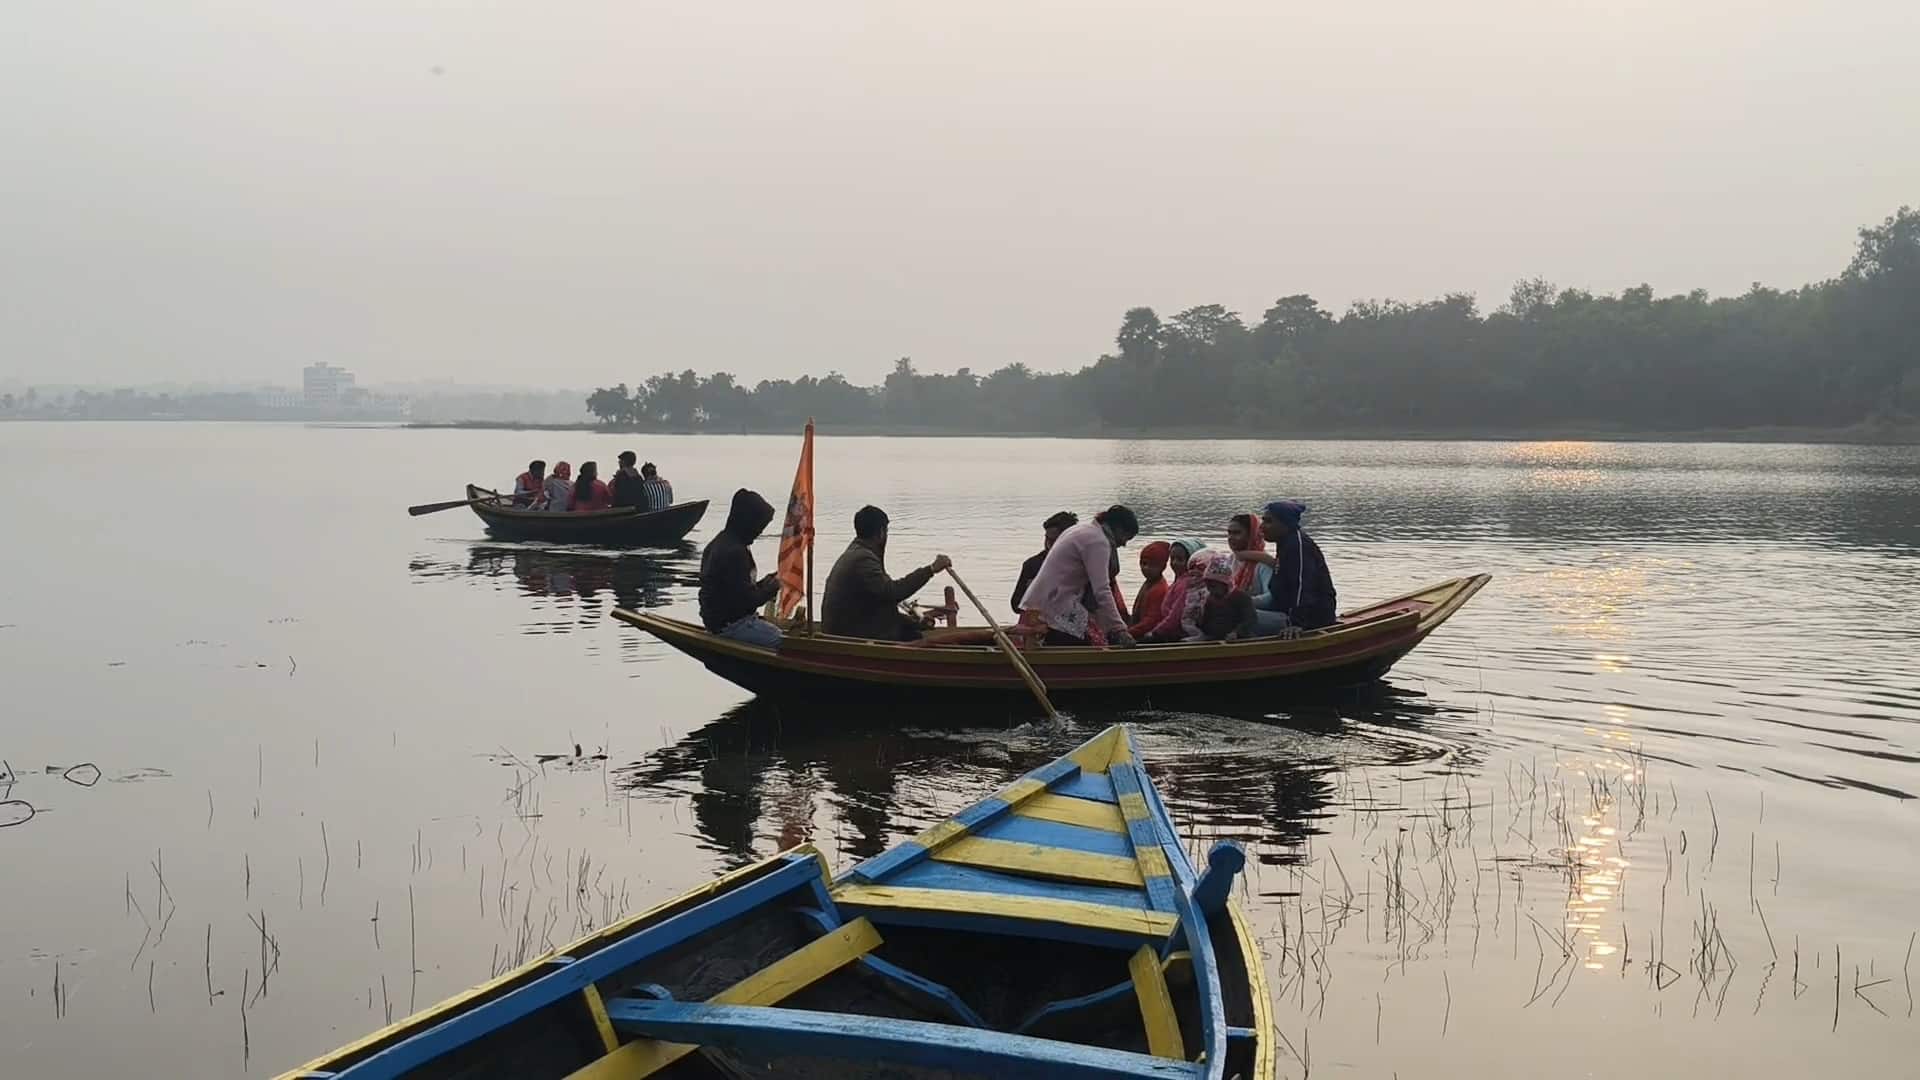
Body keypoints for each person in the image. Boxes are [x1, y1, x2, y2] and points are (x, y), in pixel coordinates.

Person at [821, 505, 953, 641]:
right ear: (881, 533)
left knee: (911, 631)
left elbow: (881, 605)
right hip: (847, 635)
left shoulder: (857, 552)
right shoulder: (863, 560)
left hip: (847, 627)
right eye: (886, 531)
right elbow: (892, 592)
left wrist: (915, 623)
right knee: (914, 639)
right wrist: (931, 569)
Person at [1019, 505, 1139, 646]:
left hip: (1043, 605)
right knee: (1095, 644)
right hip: (1055, 609)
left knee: (1096, 636)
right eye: (1126, 537)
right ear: (1118, 528)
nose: (1124, 543)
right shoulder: (1098, 541)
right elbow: (1101, 590)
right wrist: (1119, 629)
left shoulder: (1082, 530)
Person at [699, 489, 783, 647]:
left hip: (717, 622)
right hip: (731, 626)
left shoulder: (719, 542)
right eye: (758, 526)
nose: (759, 532)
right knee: (785, 643)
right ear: (747, 522)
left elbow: (736, 591)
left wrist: (765, 583)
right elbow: (748, 601)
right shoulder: (734, 553)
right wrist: (773, 588)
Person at [1245, 500, 1338, 633]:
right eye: (1263, 521)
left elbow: (1302, 586)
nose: (1262, 527)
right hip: (1282, 607)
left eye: (1268, 521)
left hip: (1309, 617)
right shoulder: (1285, 542)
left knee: (1237, 616)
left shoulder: (1297, 546)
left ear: (1286, 524)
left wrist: (1296, 623)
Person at [1010, 511, 1078, 615]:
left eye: (1054, 540)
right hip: (1039, 622)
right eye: (1047, 538)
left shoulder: (1083, 565)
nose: (1048, 545)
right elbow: (1016, 604)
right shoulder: (1033, 565)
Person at [1143, 541, 1212, 642]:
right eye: (1172, 559)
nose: (1174, 563)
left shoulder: (1187, 585)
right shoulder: (1179, 581)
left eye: (1180, 559)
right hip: (1171, 630)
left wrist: (1155, 633)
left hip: (1179, 635)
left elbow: (1175, 616)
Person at [1195, 550, 1259, 641]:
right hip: (1215, 638)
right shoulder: (1209, 600)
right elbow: (1205, 624)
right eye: (1208, 586)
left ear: (1224, 584)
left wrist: (1237, 633)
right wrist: (1198, 618)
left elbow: (1250, 619)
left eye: (1213, 586)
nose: (1210, 590)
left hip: (1238, 639)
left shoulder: (1241, 598)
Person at [1126, 541, 1172, 639]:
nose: (1146, 568)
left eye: (1152, 565)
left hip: (1149, 636)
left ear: (1163, 567)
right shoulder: (1148, 583)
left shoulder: (1160, 589)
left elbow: (1151, 621)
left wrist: (1128, 633)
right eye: (1143, 563)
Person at [1226, 512, 1273, 597]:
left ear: (1251, 535)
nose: (1230, 538)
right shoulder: (1231, 559)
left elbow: (1271, 598)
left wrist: (1241, 602)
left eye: (1236, 533)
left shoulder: (1264, 565)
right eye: (1229, 533)